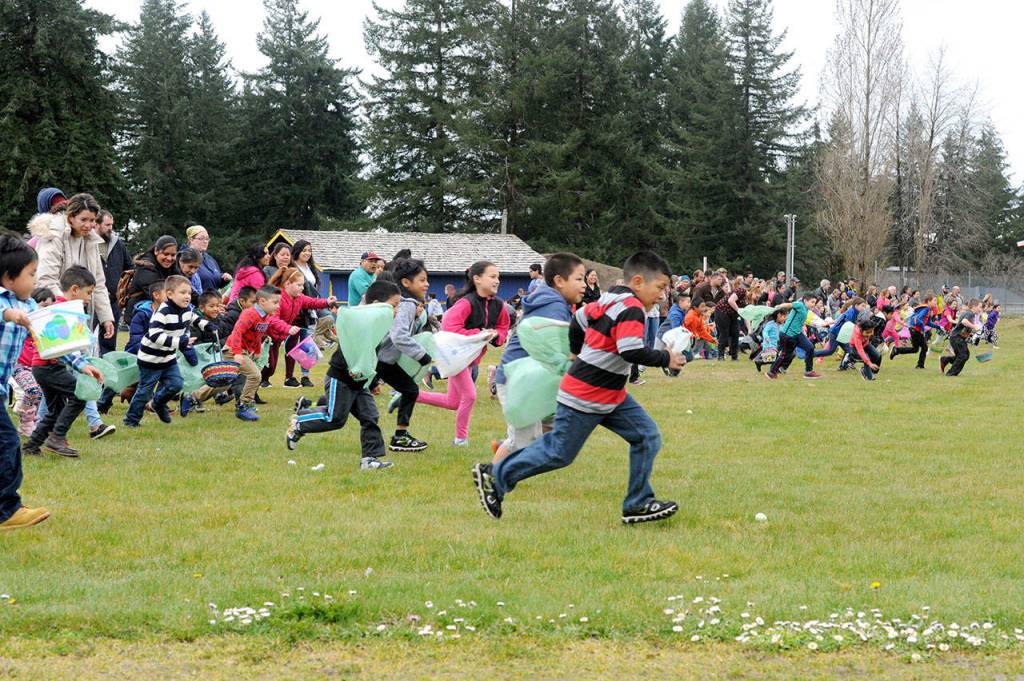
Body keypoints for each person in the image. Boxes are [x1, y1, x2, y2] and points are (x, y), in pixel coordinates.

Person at [472, 251, 686, 525]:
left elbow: (580, 319)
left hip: (609, 394)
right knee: (558, 452)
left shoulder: (609, 298)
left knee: (646, 436)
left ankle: (637, 503)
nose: (661, 296)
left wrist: (575, 353)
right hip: (586, 394)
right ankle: (496, 475)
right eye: (658, 288)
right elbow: (631, 350)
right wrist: (666, 357)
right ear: (637, 282)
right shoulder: (631, 307)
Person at [286, 280, 403, 470]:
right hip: (340, 379)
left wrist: (372, 382)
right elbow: (352, 352)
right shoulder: (358, 323)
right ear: (376, 305)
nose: (396, 311)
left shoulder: (379, 326)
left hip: (360, 383)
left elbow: (370, 356)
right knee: (335, 418)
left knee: (370, 416)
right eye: (394, 305)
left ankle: (369, 460)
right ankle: (299, 423)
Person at [492, 253, 586, 464]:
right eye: (579, 279)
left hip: (535, 380)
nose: (584, 285)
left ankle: (506, 445)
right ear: (559, 281)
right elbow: (552, 348)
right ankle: (491, 476)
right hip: (518, 380)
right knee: (523, 442)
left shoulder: (553, 303)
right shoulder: (553, 308)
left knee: (556, 428)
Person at [417, 261, 510, 446]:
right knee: (470, 395)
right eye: (492, 276)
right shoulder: (466, 303)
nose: (497, 281)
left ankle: (410, 394)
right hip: (453, 355)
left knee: (453, 402)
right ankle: (460, 439)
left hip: (471, 358)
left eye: (498, 277)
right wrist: (479, 334)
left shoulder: (499, 305)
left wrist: (496, 335)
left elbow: (503, 327)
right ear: (477, 279)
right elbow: (449, 327)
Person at [21, 267, 105, 457]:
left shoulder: (63, 309)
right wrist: (82, 366)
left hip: (44, 368)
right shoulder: (61, 312)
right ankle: (57, 437)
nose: (89, 298)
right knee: (80, 395)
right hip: (49, 368)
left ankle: (31, 446)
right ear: (75, 289)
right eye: (88, 293)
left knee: (55, 410)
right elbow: (61, 350)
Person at [0, 235, 51, 531]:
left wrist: (82, 365)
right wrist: (8, 314)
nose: (35, 280)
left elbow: (50, 341)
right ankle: (7, 511)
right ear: (8, 277)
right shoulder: (10, 307)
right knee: (7, 442)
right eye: (31, 274)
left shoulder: (30, 306)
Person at [123, 276, 212, 427]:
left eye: (189, 293)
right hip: (150, 359)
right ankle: (131, 420)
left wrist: (207, 325)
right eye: (183, 292)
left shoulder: (186, 309)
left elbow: (193, 318)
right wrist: (180, 342)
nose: (187, 296)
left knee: (176, 384)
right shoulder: (162, 312)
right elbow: (155, 335)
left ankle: (158, 403)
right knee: (144, 391)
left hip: (168, 358)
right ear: (170, 294)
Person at [30, 193, 116, 343]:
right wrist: (69, 309)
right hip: (53, 315)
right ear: (71, 217)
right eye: (83, 219)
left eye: (92, 220)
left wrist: (106, 318)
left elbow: (98, 282)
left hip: (78, 312)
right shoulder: (53, 237)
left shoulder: (91, 241)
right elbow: (45, 280)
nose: (88, 225)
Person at [377, 259, 433, 452]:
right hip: (381, 359)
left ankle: (310, 406)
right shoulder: (406, 303)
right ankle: (400, 437)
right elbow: (399, 336)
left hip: (384, 358)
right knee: (351, 396)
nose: (426, 284)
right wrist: (422, 356)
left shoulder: (408, 303)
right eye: (422, 280)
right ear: (406, 282)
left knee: (352, 393)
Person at [224, 285, 299, 421]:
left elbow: (258, 334)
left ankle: (193, 397)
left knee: (222, 382)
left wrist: (257, 350)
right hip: (233, 350)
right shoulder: (249, 314)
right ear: (263, 301)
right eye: (275, 303)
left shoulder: (265, 316)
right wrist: (236, 352)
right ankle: (244, 405)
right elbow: (237, 332)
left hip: (245, 351)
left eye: (279, 303)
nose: (278, 306)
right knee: (255, 375)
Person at [263, 267, 335, 389]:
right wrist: (287, 329)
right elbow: (272, 319)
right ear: (287, 284)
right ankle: (256, 381)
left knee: (271, 367)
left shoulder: (299, 298)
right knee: (269, 367)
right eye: (299, 285)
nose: (302, 288)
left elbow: (312, 302)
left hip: (279, 337)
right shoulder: (278, 299)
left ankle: (260, 380)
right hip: (267, 337)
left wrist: (326, 302)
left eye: (302, 285)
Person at [95, 210, 132, 354]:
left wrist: (124, 290)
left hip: (113, 301)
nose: (110, 228)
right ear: (97, 224)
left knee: (109, 341)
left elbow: (129, 268)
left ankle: (107, 370)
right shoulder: (88, 243)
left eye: (112, 224)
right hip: (92, 298)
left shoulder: (118, 245)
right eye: (107, 225)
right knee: (88, 338)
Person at [766, 293, 821, 380]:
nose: (814, 304)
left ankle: (808, 372)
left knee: (810, 348)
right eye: (812, 302)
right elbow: (788, 305)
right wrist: (778, 307)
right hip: (787, 335)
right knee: (785, 354)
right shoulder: (799, 305)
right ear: (805, 301)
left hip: (797, 334)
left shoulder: (806, 309)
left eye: (815, 302)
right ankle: (771, 372)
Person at [125, 236, 179, 323]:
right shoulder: (145, 267)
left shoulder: (172, 266)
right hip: (141, 315)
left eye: (173, 255)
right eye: (165, 254)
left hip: (160, 313)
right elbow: (159, 295)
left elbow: (181, 284)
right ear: (156, 251)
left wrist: (201, 300)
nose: (169, 258)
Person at [890, 294, 941, 369]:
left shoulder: (929, 310)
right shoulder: (926, 309)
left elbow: (929, 323)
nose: (936, 302)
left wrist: (939, 327)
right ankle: (920, 365)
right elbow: (919, 319)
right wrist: (923, 329)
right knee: (924, 347)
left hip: (915, 330)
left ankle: (897, 350)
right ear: (928, 301)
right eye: (934, 300)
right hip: (915, 330)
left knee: (915, 349)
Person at [184, 224, 232, 293]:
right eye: (201, 238)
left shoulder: (210, 259)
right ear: (191, 240)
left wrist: (224, 279)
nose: (205, 241)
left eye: (207, 239)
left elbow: (213, 281)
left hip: (212, 301)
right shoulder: (184, 257)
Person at [941, 298, 981, 377]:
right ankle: (951, 373)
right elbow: (964, 322)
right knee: (963, 355)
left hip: (957, 337)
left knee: (964, 355)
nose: (980, 309)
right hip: (957, 337)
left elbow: (964, 327)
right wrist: (974, 326)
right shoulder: (970, 313)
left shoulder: (969, 314)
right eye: (979, 307)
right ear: (973, 307)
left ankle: (945, 360)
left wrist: (973, 334)